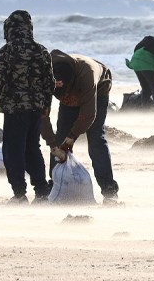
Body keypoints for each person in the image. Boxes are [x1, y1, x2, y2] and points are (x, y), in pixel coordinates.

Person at [0, 10, 55, 204]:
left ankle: (19, 194)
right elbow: (49, 82)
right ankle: (41, 190)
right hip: (36, 108)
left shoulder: (7, 50)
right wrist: (46, 105)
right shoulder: (41, 50)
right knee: (32, 148)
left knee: (13, 150)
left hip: (14, 108)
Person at [48, 49, 119, 202]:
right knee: (59, 138)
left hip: (98, 89)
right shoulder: (45, 74)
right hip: (72, 86)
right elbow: (43, 115)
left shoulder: (87, 75)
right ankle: (55, 187)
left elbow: (89, 115)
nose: (67, 99)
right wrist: (53, 143)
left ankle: (109, 191)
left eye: (66, 94)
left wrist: (71, 138)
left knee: (96, 139)